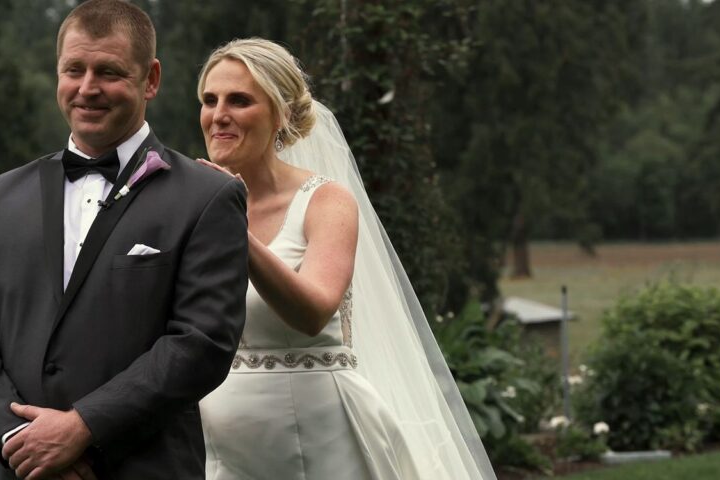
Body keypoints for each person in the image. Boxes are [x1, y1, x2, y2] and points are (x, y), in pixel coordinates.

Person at [0, 1, 249, 479]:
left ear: (151, 79)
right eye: (74, 70)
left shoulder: (208, 198)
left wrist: (83, 428)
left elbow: (202, 343)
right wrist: (21, 442)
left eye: (108, 72)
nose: (87, 88)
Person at [196, 39, 496, 479]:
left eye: (239, 100)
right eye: (209, 100)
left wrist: (236, 233)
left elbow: (314, 310)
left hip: (320, 437)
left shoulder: (326, 201)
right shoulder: (191, 201)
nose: (218, 114)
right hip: (220, 447)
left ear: (279, 114)